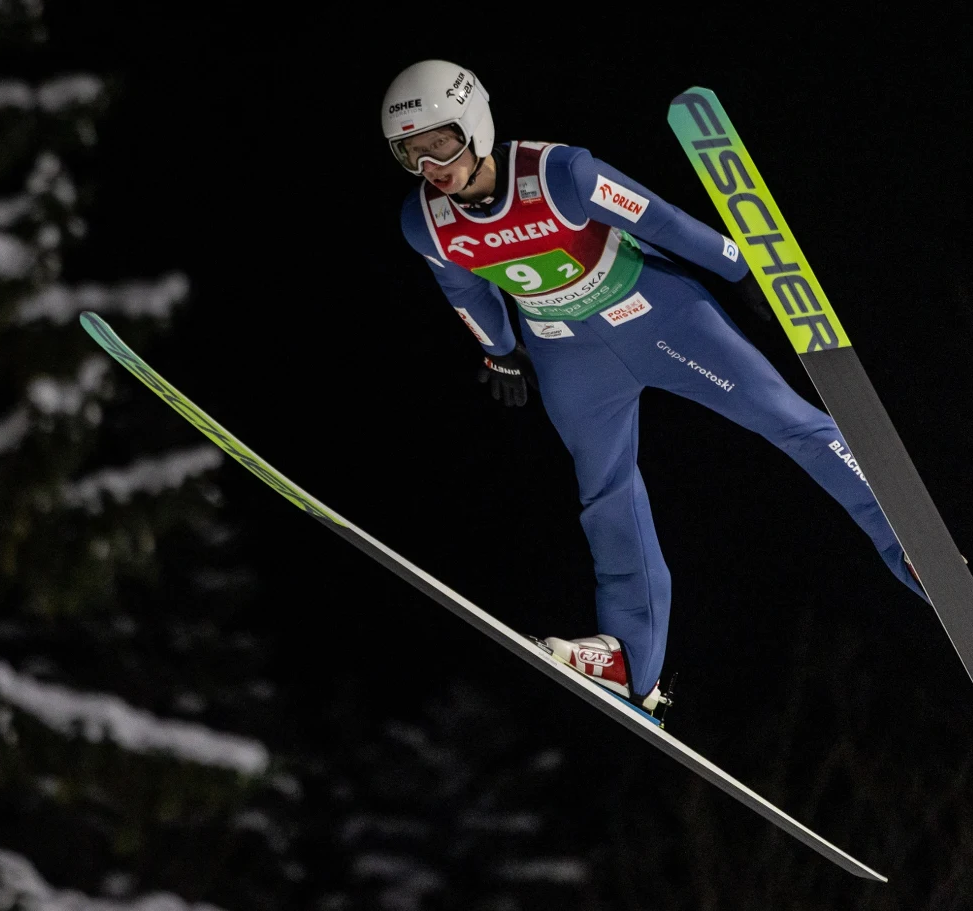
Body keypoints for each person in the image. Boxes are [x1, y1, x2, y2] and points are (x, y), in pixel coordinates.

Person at [382, 59, 927, 718]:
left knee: (786, 419)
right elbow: (462, 285)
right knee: (606, 493)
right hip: (568, 354)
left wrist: (738, 267)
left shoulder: (560, 174)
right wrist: (499, 353)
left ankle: (909, 546)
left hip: (658, 315)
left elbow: (657, 218)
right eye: (411, 154)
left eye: (437, 143)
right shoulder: (428, 224)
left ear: (472, 124)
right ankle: (631, 664)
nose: (429, 166)